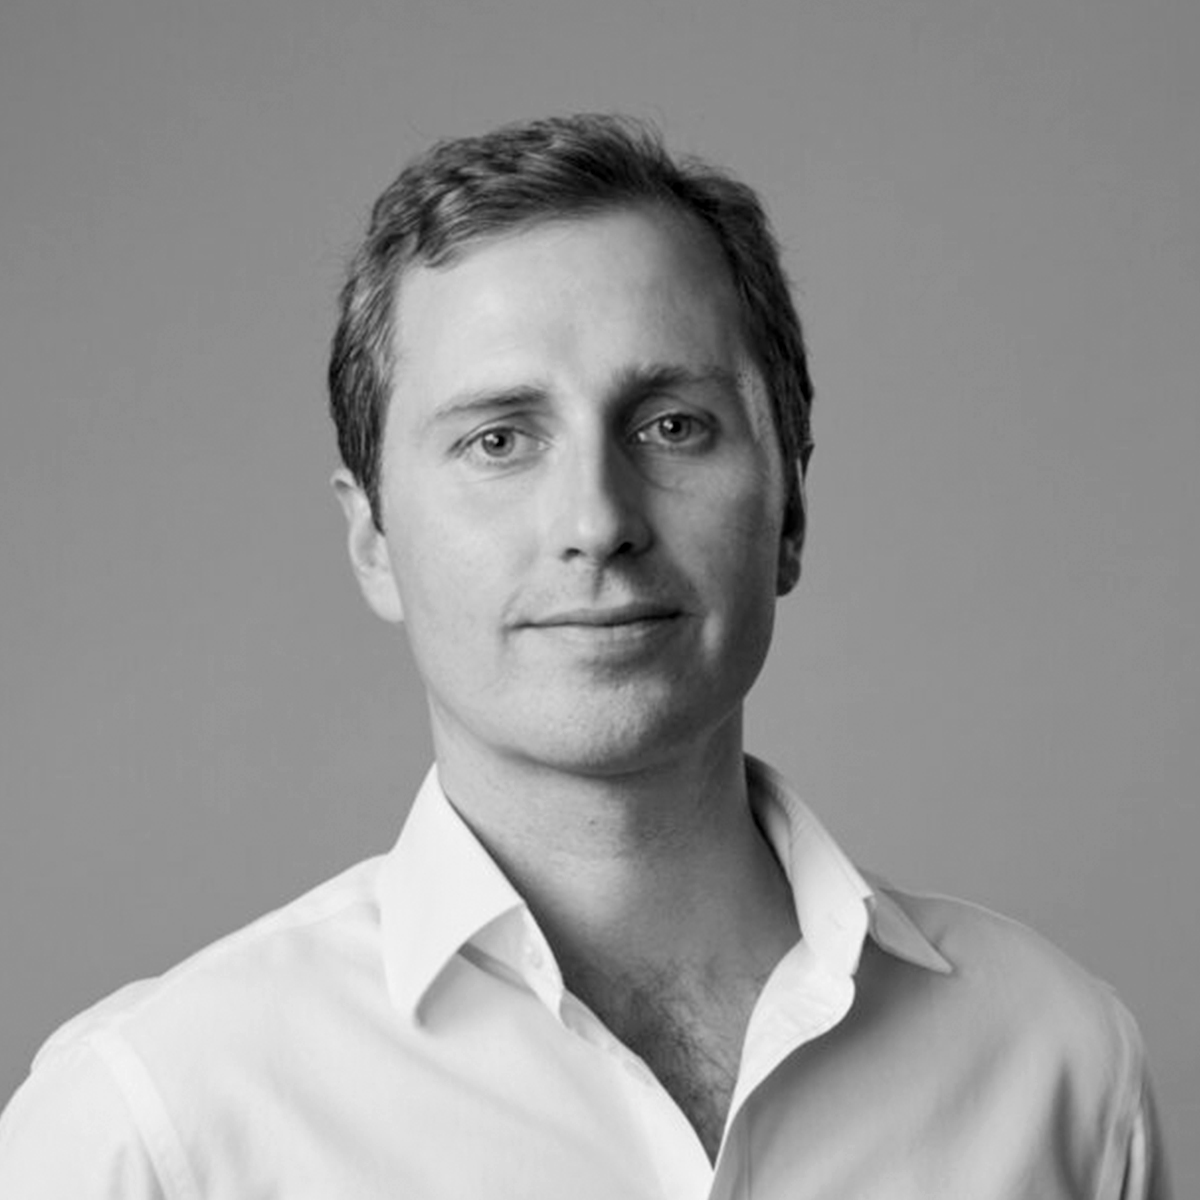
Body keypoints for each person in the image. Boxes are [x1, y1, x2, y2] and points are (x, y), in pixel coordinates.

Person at [0, 113, 1169, 1198]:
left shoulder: (1061, 1065)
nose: (597, 521)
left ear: (791, 510)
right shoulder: (153, 1124)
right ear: (373, 541)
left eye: (673, 426)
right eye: (499, 440)